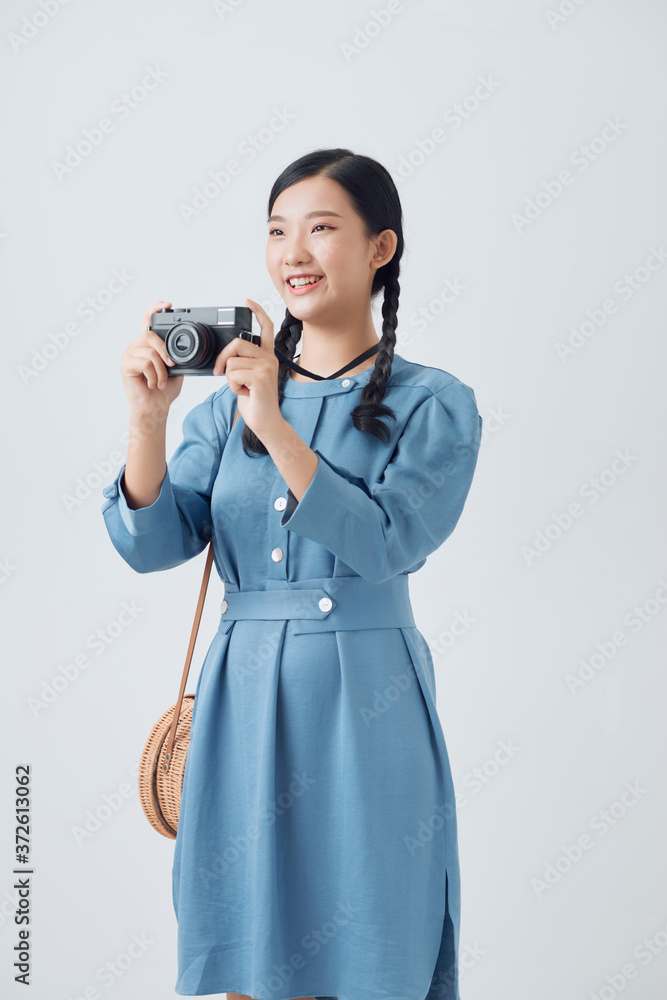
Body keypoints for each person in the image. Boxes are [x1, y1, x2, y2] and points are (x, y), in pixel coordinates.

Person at [100, 147, 483, 1000]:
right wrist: (149, 424)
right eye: (277, 231)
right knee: (248, 947)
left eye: (321, 228)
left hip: (367, 700)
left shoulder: (434, 403)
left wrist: (273, 424)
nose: (293, 253)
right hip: (242, 701)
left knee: (377, 940)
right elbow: (151, 545)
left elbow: (389, 542)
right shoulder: (219, 409)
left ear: (380, 248)